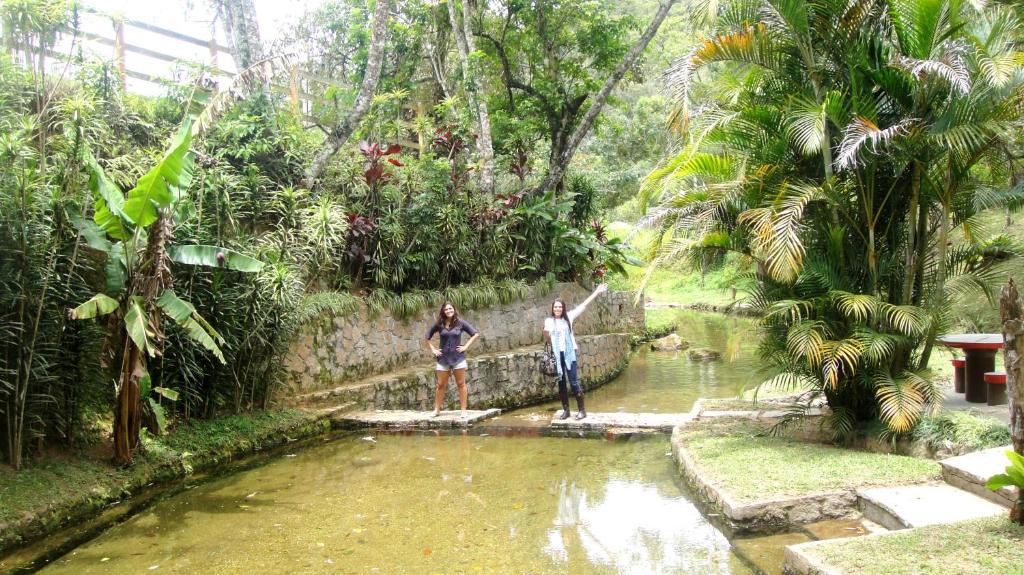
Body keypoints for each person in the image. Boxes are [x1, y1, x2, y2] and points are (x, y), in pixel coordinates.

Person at [544, 283, 608, 420]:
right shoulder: (549, 321)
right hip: (557, 355)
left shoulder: (569, 317)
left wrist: (596, 292)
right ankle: (566, 411)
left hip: (569, 354)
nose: (557, 309)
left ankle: (582, 410)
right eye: (555, 307)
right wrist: (546, 334)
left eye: (560, 307)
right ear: (552, 309)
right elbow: (548, 339)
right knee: (561, 384)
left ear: (563, 308)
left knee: (573, 382)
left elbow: (583, 306)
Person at [423, 301, 480, 419]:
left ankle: (463, 410)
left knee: (461, 384)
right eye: (446, 309)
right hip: (443, 359)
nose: (449, 311)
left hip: (458, 359)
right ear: (443, 311)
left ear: (454, 309)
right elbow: (427, 336)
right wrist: (433, 349)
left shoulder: (461, 323)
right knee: (440, 385)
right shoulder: (439, 324)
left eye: (450, 309)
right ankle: (436, 410)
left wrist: (465, 347)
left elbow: (475, 334)